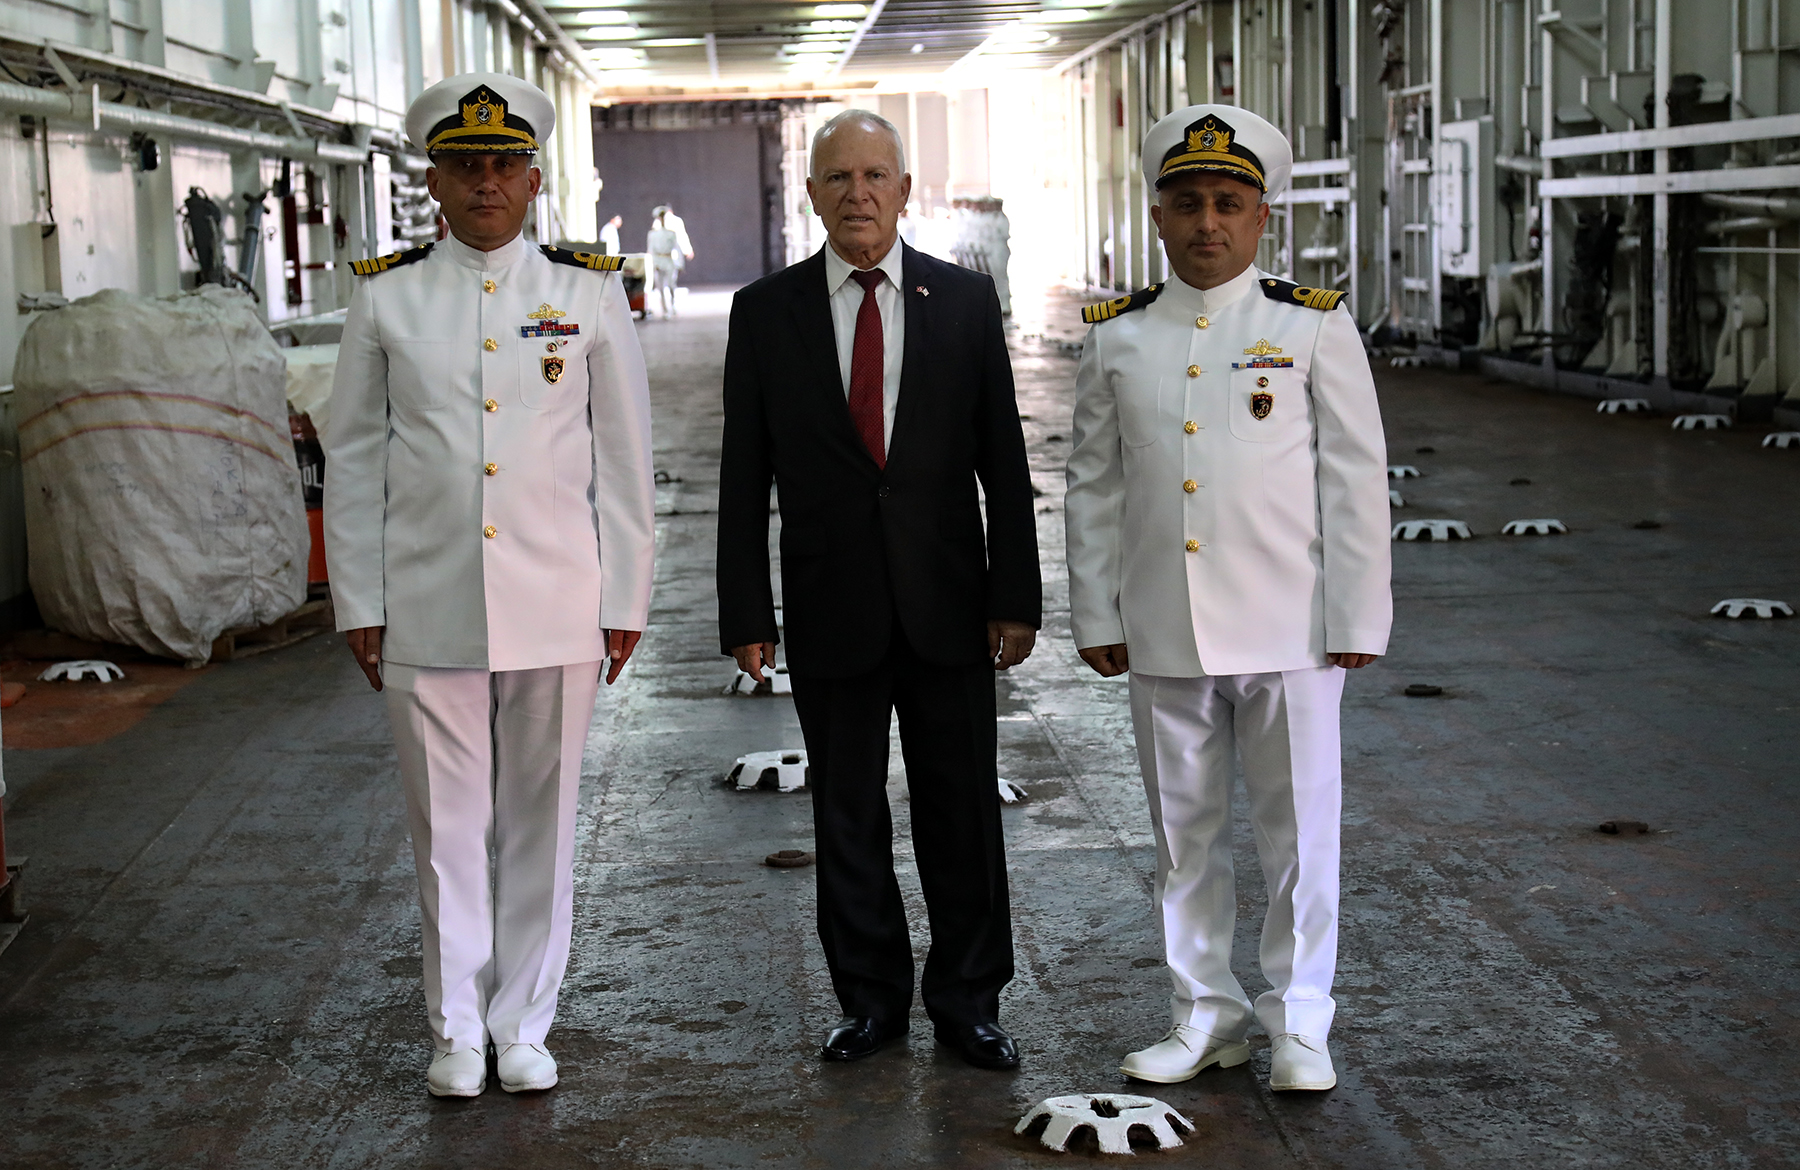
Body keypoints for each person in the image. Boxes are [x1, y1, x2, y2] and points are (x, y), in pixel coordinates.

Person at [325, 72, 656, 1098]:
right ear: (432, 180)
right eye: (464, 166)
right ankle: (457, 1031)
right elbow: (354, 458)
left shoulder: (586, 292)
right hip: (427, 604)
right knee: (445, 832)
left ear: (534, 180)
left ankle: (524, 1025)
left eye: (504, 165)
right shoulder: (386, 294)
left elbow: (626, 461)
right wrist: (360, 599)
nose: (485, 184)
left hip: (557, 602)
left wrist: (624, 599)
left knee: (542, 828)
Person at [1064, 105, 1391, 1094]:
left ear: (1261, 218)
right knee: (1184, 842)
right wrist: (1097, 613)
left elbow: (1354, 479)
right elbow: (1094, 485)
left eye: (1228, 203)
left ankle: (1300, 1024)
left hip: (1292, 627)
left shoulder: (1310, 324)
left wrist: (1357, 616)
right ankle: (1205, 1016)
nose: (1208, 221)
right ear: (1158, 217)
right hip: (1164, 628)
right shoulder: (1119, 338)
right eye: (1188, 203)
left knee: (1300, 841)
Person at [716, 109, 1040, 1070]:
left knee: (960, 809)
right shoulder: (764, 312)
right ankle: (869, 1002)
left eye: (875, 176)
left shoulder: (965, 301)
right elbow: (744, 476)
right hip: (832, 605)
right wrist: (747, 614)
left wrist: (1016, 596)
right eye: (838, 177)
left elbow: (1005, 463)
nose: (857, 194)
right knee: (846, 812)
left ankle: (969, 1001)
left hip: (950, 603)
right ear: (812, 194)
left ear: (903, 191)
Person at [646, 205, 683, 318]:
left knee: (671, 284)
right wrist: (653, 263)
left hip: (668, 260)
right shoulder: (652, 234)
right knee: (660, 287)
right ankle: (665, 309)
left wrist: (679, 263)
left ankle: (672, 304)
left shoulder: (671, 233)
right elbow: (650, 249)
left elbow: (677, 248)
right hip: (658, 260)